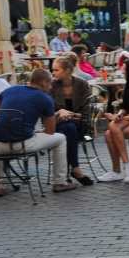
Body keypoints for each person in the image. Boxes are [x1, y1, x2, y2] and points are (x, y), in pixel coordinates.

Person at [0, 67, 76, 194]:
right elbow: (50, 131)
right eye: (49, 84)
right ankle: (60, 182)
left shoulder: (10, 89)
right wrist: (56, 114)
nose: (50, 87)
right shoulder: (45, 99)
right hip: (21, 145)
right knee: (60, 138)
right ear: (44, 82)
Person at [49, 56, 94, 186]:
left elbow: (86, 113)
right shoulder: (52, 86)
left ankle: (65, 172)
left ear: (67, 70)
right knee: (67, 128)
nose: (53, 73)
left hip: (80, 125)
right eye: (53, 70)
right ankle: (75, 168)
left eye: (56, 70)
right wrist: (59, 113)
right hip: (57, 123)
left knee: (68, 128)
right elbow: (47, 113)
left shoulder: (81, 84)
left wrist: (71, 114)